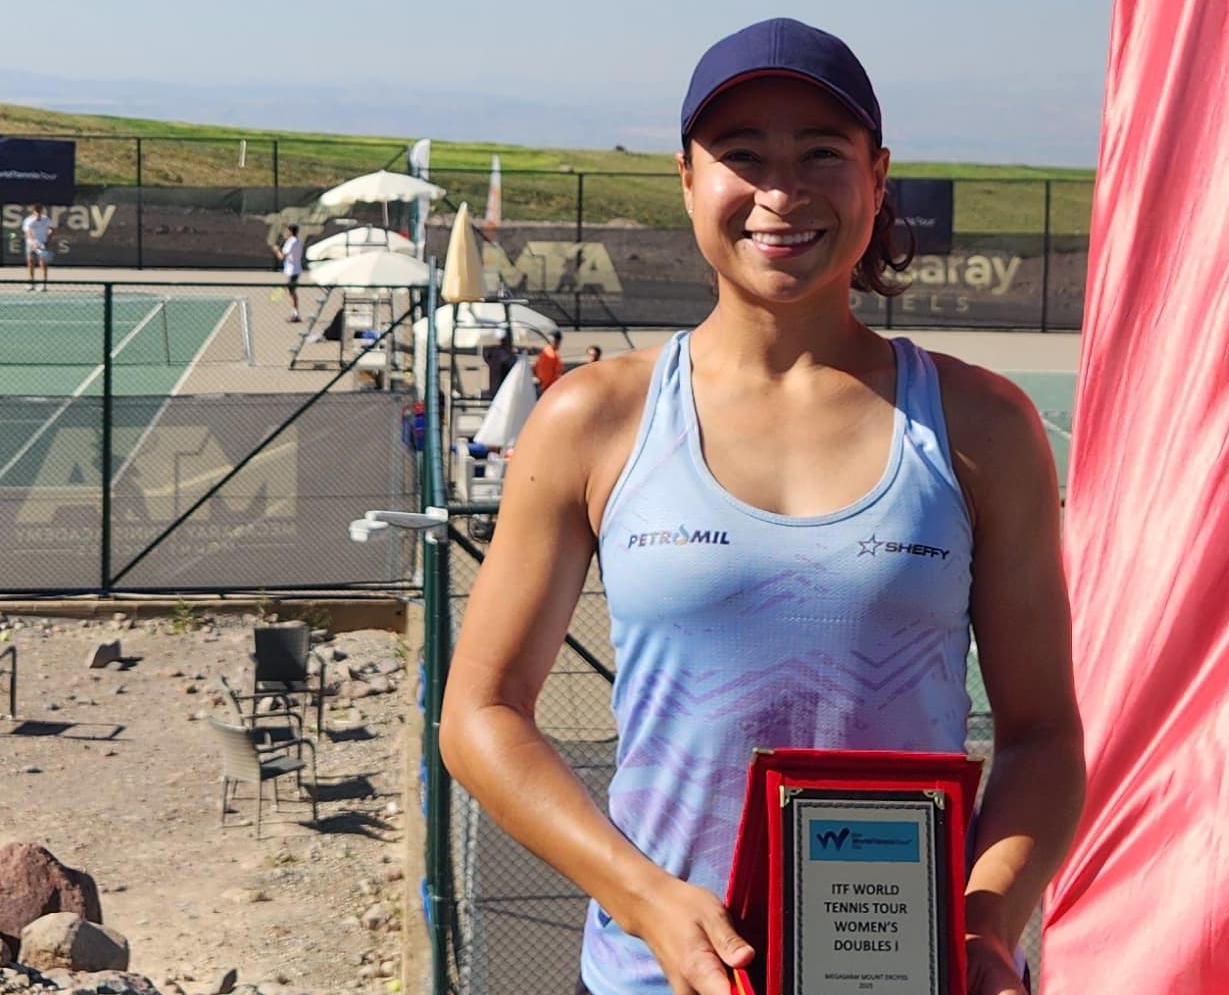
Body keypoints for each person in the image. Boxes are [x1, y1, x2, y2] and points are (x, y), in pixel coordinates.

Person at [437, 18, 1082, 995]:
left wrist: (985, 919)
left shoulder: (981, 424)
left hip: (907, 972)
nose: (780, 193)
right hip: (655, 979)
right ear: (687, 179)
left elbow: (1042, 733)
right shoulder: (591, 419)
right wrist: (647, 898)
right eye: (742, 156)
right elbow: (479, 712)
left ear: (876, 176)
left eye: (821, 152)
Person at [273, 224, 305, 323]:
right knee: (291, 292)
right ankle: (295, 314)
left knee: (292, 292)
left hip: (293, 271)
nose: (285, 233)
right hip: (294, 270)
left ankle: (296, 315)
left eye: (287, 231)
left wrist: (276, 250)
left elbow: (281, 257)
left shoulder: (291, 242)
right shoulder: (298, 241)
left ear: (291, 231)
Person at [21, 205, 55, 292]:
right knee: (30, 263)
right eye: (36, 211)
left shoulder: (46, 219)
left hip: (42, 244)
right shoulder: (28, 220)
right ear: (33, 211)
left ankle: (44, 284)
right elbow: (27, 232)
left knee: (43, 264)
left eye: (39, 210)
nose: (38, 212)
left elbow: (52, 229)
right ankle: (31, 283)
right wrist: (32, 242)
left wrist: (48, 239)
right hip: (31, 245)